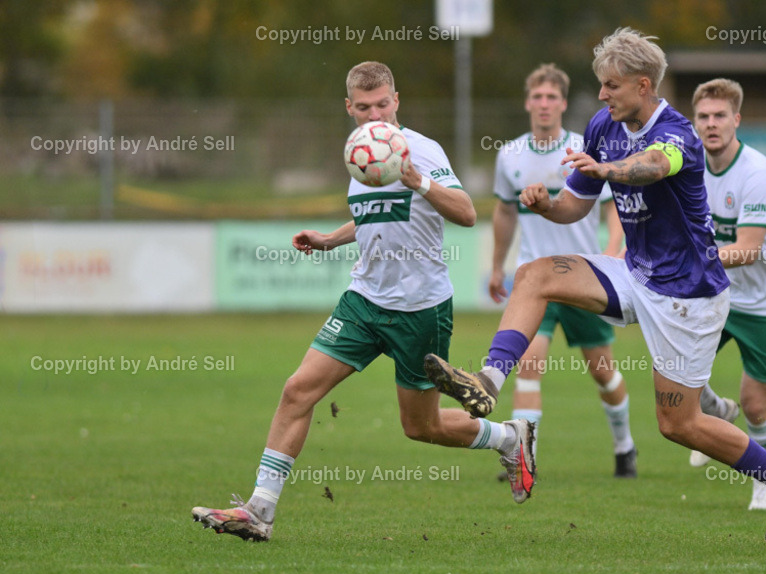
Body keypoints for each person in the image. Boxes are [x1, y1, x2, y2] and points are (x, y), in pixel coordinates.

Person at [423, 29, 766, 545]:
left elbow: (651, 166)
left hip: (688, 296)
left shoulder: (678, 133)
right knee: (534, 274)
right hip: (636, 272)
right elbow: (576, 205)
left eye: (611, 86)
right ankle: (489, 382)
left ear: (643, 84)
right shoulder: (602, 125)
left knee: (678, 425)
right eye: (601, 87)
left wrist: (607, 168)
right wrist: (545, 205)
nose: (603, 95)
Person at [191, 61, 537, 542]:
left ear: (396, 101)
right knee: (297, 391)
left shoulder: (421, 149)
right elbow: (378, 216)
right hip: (363, 300)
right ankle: (259, 511)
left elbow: (464, 211)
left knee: (420, 427)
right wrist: (332, 239)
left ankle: (507, 436)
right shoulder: (361, 153)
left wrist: (419, 180)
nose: (374, 114)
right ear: (349, 108)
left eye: (382, 104)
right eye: (364, 107)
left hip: (420, 310)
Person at [490, 63, 637, 479]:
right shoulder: (510, 155)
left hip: (584, 277)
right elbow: (504, 212)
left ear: (563, 104)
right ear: (527, 102)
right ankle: (521, 455)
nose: (543, 103)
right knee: (529, 365)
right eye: (537, 96)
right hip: (535, 280)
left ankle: (625, 446)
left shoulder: (582, 149)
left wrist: (612, 250)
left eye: (551, 97)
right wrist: (497, 266)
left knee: (603, 373)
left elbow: (612, 208)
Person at [689, 78, 766, 511]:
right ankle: (716, 410)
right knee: (675, 376)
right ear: (694, 121)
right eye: (703, 116)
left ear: (736, 119)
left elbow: (749, 249)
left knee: (755, 406)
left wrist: (689, 259)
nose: (711, 124)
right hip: (713, 293)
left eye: (720, 116)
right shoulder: (689, 164)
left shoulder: (755, 170)